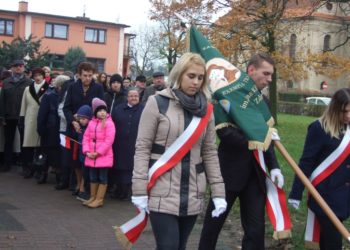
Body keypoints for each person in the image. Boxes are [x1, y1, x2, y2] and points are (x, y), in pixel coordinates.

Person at [132, 52, 226, 250]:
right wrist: (139, 189)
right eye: (191, 76)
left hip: (193, 189)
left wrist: (218, 192)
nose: (196, 82)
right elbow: (142, 147)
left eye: (200, 78)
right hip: (161, 187)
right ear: (179, 75)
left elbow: (209, 152)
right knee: (168, 246)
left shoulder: (207, 110)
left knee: (180, 246)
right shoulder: (157, 103)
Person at [199, 53, 284, 250]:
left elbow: (267, 138)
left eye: (272, 75)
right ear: (251, 70)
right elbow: (227, 135)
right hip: (229, 172)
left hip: (255, 175)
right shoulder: (225, 97)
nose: (269, 79)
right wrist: (256, 140)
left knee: (255, 230)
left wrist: (275, 167)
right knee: (213, 225)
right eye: (266, 73)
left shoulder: (263, 103)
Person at [288, 88, 350, 250]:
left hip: (344, 195)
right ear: (335, 109)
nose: (348, 116)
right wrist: (296, 193)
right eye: (344, 111)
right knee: (333, 242)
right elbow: (306, 162)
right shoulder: (319, 128)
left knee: (327, 240)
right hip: (324, 195)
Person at [63, 62, 104, 193]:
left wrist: (90, 122)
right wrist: (73, 121)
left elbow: (101, 109)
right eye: (85, 75)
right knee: (75, 158)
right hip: (75, 127)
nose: (87, 78)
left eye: (90, 75)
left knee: (87, 157)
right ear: (79, 75)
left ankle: (84, 185)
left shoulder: (98, 88)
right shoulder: (72, 87)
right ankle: (78, 182)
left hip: (91, 129)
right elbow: (66, 107)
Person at [82, 98, 115, 208]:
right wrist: (87, 151)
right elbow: (86, 138)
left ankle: (99, 199)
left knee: (102, 177)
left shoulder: (109, 124)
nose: (102, 112)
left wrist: (98, 152)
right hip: (91, 155)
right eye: (100, 110)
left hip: (103, 156)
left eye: (104, 110)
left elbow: (109, 140)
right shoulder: (91, 123)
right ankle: (93, 196)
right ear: (95, 112)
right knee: (93, 177)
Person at [111, 88, 143, 200]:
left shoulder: (144, 110)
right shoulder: (118, 109)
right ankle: (119, 189)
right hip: (119, 144)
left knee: (131, 169)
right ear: (127, 97)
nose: (134, 98)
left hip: (135, 145)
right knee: (119, 168)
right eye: (131, 96)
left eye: (136, 96)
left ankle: (128, 191)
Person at [0, 59, 32, 172]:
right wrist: (2, 116)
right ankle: (7, 164)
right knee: (8, 141)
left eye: (21, 66)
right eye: (16, 66)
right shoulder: (6, 82)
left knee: (25, 141)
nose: (18, 68)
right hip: (9, 116)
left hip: (23, 116)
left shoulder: (29, 82)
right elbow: (2, 100)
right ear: (12, 68)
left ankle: (25, 166)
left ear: (23, 68)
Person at [19, 67, 49, 183]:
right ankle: (29, 168)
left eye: (39, 75)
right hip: (30, 118)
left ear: (43, 76)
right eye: (35, 75)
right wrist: (22, 118)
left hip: (42, 119)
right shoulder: (28, 89)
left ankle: (39, 169)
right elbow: (24, 104)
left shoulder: (48, 88)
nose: (37, 77)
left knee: (40, 146)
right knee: (28, 146)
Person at [37, 74, 66, 185]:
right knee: (46, 153)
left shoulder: (66, 96)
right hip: (49, 130)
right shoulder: (49, 96)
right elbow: (42, 114)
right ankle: (42, 174)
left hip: (60, 130)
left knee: (57, 155)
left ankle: (59, 176)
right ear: (59, 86)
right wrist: (40, 129)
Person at [75, 105, 93, 202]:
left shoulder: (89, 128)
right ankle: (83, 191)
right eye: (80, 119)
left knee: (88, 175)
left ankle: (86, 191)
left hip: (88, 156)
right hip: (83, 156)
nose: (81, 121)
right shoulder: (81, 128)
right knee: (84, 173)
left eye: (83, 119)